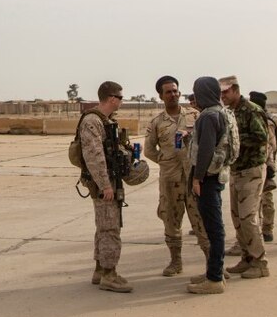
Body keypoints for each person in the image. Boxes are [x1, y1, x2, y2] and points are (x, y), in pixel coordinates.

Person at [144, 75, 206, 276]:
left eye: (175, 91)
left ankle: (214, 264)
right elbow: (149, 150)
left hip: (194, 179)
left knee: (202, 222)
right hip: (170, 181)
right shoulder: (156, 122)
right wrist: (166, 161)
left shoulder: (195, 116)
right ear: (161, 96)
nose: (173, 95)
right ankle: (175, 262)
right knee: (171, 221)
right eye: (168, 92)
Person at [78, 81, 133, 293]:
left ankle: (100, 270)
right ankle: (110, 274)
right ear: (112, 98)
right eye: (120, 98)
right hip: (104, 184)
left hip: (110, 180)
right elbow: (94, 157)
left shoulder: (106, 120)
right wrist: (105, 186)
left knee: (104, 225)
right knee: (110, 227)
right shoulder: (93, 121)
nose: (121, 101)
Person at [186, 76, 234, 294]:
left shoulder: (208, 116)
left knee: (214, 229)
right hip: (217, 175)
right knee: (214, 227)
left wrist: (197, 178)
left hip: (207, 178)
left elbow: (205, 149)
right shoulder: (222, 112)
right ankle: (213, 271)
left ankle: (215, 279)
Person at [221, 76, 271, 279]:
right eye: (221, 92)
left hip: (251, 170)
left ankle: (260, 262)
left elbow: (262, 137)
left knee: (248, 218)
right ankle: (247, 258)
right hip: (236, 169)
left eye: (226, 92)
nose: (223, 96)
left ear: (235, 90)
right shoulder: (229, 112)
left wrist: (234, 141)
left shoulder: (251, 110)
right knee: (237, 218)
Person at [249, 91, 277, 243]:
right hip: (264, 164)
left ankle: (266, 229)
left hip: (264, 165)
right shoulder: (262, 118)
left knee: (263, 199)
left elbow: (270, 146)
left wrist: (269, 167)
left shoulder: (265, 121)